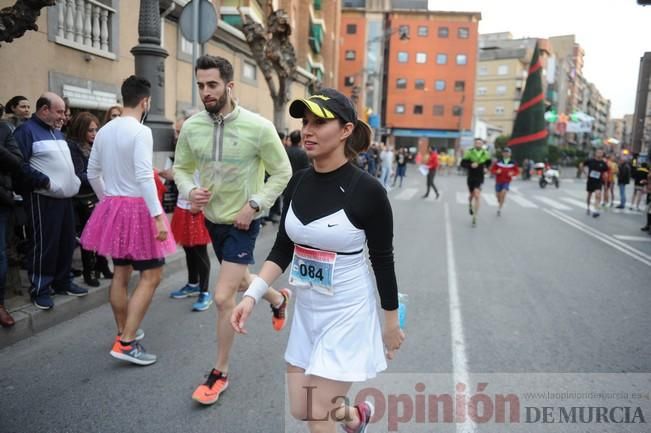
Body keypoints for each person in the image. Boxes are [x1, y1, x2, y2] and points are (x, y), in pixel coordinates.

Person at [231, 87, 405, 433]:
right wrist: (251, 296)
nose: (307, 130)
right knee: (302, 408)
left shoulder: (368, 191)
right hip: (309, 313)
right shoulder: (297, 183)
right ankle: (356, 418)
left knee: (316, 413)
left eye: (319, 123)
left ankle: (344, 416)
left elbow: (383, 261)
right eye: (305, 122)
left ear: (345, 130)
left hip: (348, 313)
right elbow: (282, 248)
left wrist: (390, 325)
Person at [172, 55, 292, 404]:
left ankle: (220, 372)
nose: (206, 92)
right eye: (200, 85)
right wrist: (188, 191)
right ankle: (277, 297)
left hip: (244, 222)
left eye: (212, 84)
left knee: (224, 296)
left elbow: (282, 171)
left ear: (229, 85)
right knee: (238, 279)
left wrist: (254, 204)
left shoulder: (259, 127)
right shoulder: (192, 127)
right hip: (212, 219)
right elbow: (181, 167)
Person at [80, 76, 176, 365]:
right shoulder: (140, 131)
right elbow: (145, 176)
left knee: (121, 273)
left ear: (124, 98)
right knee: (152, 275)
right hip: (138, 209)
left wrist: (107, 200)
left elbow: (92, 172)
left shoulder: (106, 130)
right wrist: (158, 217)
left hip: (113, 206)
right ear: (145, 101)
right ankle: (127, 341)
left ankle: (124, 331)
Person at [14, 93, 87, 310]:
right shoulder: (26, 132)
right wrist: (44, 182)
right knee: (44, 244)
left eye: (64, 112)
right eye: (59, 112)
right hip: (42, 198)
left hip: (64, 199)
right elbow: (19, 166)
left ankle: (62, 281)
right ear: (44, 110)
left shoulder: (57, 133)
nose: (64, 117)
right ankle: (40, 288)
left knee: (65, 242)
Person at [168, 114, 213, 312]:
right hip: (182, 205)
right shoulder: (182, 149)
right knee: (188, 248)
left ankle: (205, 291)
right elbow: (178, 173)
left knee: (200, 251)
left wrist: (200, 203)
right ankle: (193, 284)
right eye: (176, 131)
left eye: (180, 131)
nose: (177, 135)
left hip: (198, 207)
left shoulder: (205, 150)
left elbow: (212, 180)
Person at [67, 112, 113, 287]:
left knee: (101, 232)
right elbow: (79, 175)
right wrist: (100, 175)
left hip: (97, 193)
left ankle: (102, 266)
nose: (94, 134)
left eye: (96, 129)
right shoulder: (73, 146)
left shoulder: (94, 146)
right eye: (90, 130)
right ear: (80, 130)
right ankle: (89, 271)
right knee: (89, 235)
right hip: (82, 198)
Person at [0, 114, 23, 327]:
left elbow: (16, 161)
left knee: (0, 254)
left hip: (1, 200)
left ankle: (0, 305)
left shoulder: (4, 130)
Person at [460, 139, 491, 226]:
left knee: (477, 195)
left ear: (482, 144)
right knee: (471, 195)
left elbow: (489, 162)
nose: (478, 144)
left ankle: (475, 216)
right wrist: (470, 165)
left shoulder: (485, 153)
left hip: (480, 177)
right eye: (477, 143)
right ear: (474, 144)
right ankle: (470, 204)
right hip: (471, 177)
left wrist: (486, 168)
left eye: (480, 143)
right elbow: (462, 163)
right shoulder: (469, 152)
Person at [490, 147, 519, 216]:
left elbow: (516, 171)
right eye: (505, 152)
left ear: (510, 154)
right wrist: (496, 171)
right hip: (498, 181)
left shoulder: (513, 163)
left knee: (503, 192)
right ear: (502, 154)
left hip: (506, 181)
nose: (506, 154)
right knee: (498, 196)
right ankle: (500, 201)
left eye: (507, 152)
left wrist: (512, 173)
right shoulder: (498, 162)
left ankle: (499, 209)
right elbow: (492, 170)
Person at [582, 148, 609, 218]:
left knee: (598, 194)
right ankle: (588, 207)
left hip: (598, 181)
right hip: (590, 180)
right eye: (598, 152)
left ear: (602, 154)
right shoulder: (590, 161)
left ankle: (595, 210)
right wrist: (585, 173)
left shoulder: (603, 163)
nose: (599, 154)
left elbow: (606, 174)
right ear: (596, 153)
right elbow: (581, 165)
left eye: (601, 153)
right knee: (589, 195)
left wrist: (606, 184)